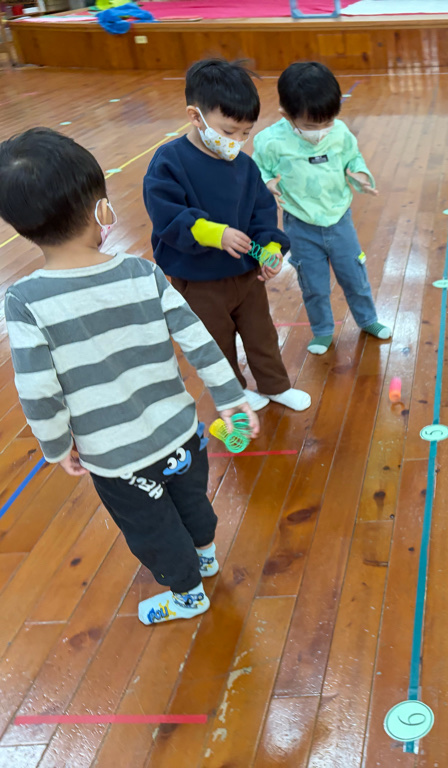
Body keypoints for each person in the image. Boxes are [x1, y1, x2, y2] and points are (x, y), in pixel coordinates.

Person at [0, 127, 260, 625]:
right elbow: (199, 341)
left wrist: (57, 446)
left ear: (22, 228)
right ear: (102, 210)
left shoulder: (26, 301)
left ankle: (188, 595)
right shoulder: (143, 273)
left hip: (117, 457)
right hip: (181, 431)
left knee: (152, 527)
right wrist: (230, 399)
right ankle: (205, 557)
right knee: (192, 500)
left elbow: (38, 391)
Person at [143, 58, 310, 412]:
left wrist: (270, 249)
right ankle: (233, 393)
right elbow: (166, 215)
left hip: (246, 276)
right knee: (215, 342)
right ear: (195, 116)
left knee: (262, 334)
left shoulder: (244, 166)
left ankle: (276, 386)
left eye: (245, 133)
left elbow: (262, 211)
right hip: (199, 281)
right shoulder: (169, 161)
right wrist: (214, 234)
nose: (237, 142)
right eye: (229, 131)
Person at [253, 61, 391, 356]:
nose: (321, 132)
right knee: (313, 285)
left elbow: (353, 158)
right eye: (311, 126)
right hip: (300, 226)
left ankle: (368, 319)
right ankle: (323, 330)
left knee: (355, 276)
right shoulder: (269, 142)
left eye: (327, 122)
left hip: (340, 220)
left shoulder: (339, 133)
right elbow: (258, 171)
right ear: (286, 115)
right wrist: (267, 184)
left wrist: (360, 175)